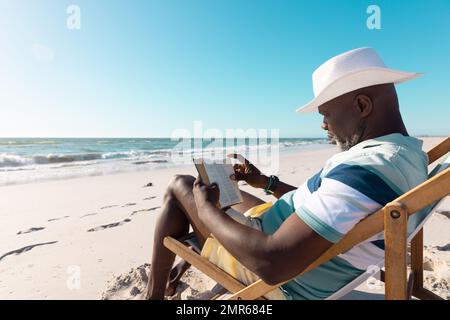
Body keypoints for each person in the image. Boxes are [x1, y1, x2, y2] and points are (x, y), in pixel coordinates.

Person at [145, 47, 428, 300]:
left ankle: (154, 295)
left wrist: (207, 212)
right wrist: (265, 182)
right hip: (284, 227)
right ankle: (174, 272)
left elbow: (272, 264)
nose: (324, 125)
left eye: (325, 114)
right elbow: (328, 206)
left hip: (275, 274)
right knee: (221, 189)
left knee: (180, 185)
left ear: (363, 106)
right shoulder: (406, 154)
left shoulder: (368, 168)